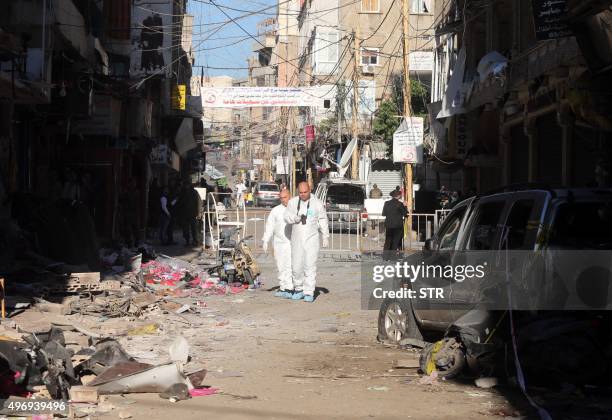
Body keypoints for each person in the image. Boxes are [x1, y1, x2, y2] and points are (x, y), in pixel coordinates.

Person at [284, 182, 329, 302]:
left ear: (310, 190)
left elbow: (323, 220)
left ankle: (309, 292)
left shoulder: (317, 203)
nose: (303, 194)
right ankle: (298, 288)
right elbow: (286, 216)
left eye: (305, 192)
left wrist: (325, 236)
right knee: (296, 266)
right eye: (301, 192)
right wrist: (295, 218)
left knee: (310, 266)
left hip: (312, 239)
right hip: (297, 239)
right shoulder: (293, 202)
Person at [262, 189, 293, 298]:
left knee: (289, 265)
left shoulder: (295, 208)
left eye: (285, 197)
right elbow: (269, 226)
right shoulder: (275, 211)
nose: (283, 200)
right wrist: (266, 240)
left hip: (290, 243)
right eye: (281, 198)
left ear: (290, 196)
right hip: (278, 243)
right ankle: (283, 287)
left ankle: (290, 288)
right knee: (280, 266)